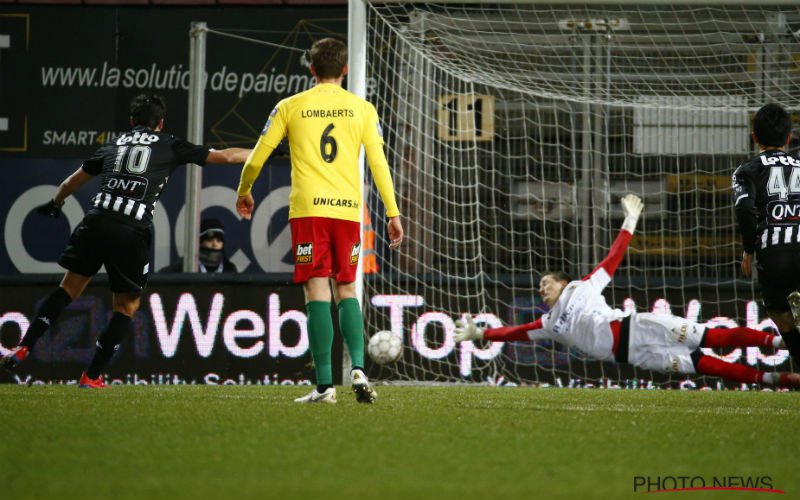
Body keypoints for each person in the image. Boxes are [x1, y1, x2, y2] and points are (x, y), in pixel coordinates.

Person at [0, 94, 251, 387]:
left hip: (95, 221)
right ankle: (91, 376)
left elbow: (71, 182)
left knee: (67, 289)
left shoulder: (114, 145)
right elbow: (228, 156)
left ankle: (24, 346)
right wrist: (271, 151)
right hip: (130, 230)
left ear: (131, 121)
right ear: (160, 124)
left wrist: (56, 202)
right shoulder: (169, 143)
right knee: (126, 307)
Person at [454, 194, 800, 388]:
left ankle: (779, 342)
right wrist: (479, 331)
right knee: (702, 364)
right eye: (541, 287)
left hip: (640, 326)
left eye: (547, 282)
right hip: (636, 356)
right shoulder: (547, 323)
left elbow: (612, 259)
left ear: (563, 282)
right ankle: (781, 378)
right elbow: (514, 332)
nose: (542, 289)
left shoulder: (582, 288)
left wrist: (629, 223)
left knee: (710, 337)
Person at [236, 38, 404, 404]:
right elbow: (379, 166)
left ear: (311, 69)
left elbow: (256, 157)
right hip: (346, 210)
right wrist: (392, 212)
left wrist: (244, 189)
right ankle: (358, 366)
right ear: (344, 69)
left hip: (309, 210)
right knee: (346, 288)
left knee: (316, 290)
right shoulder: (362, 109)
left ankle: (326, 386)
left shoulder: (290, 106)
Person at [733, 103, 800, 368]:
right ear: (788, 138)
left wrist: (749, 249)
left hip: (774, 255)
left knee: (780, 315)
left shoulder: (746, 170)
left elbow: (745, 208)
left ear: (754, 138)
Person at [159, 218, 238, 273]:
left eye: (218, 241)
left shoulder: (229, 268)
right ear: (200, 243)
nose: (215, 244)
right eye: (209, 240)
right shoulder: (186, 265)